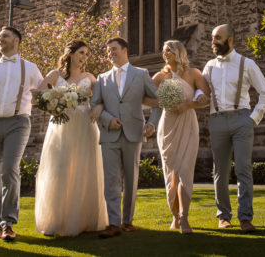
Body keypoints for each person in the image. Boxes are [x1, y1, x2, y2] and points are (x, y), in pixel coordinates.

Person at [202, 23, 265, 234]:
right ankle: (223, 216)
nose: (213, 42)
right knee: (220, 172)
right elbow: (202, 94)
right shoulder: (209, 66)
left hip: (242, 119)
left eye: (218, 38)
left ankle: (245, 218)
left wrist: (253, 119)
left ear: (230, 40)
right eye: (213, 38)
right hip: (217, 120)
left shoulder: (247, 64)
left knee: (243, 169)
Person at [0, 26, 44, 243]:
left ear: (16, 41)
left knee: (9, 169)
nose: (0, 40)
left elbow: (42, 93)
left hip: (18, 123)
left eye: (4, 36)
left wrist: (34, 100)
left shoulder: (30, 68)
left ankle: (8, 222)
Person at [34, 40, 108, 236]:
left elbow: (103, 99)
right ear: (71, 53)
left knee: (84, 169)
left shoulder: (90, 78)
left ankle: (82, 220)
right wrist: (51, 107)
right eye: (81, 53)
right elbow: (37, 97)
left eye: (86, 54)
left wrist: (98, 108)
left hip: (84, 125)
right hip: (60, 126)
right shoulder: (54, 75)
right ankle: (55, 220)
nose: (84, 57)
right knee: (59, 168)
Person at [90, 37, 160, 238]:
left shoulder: (141, 74)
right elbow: (94, 106)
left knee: (131, 179)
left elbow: (159, 102)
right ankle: (113, 223)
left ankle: (127, 221)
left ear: (125, 50)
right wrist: (107, 119)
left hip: (133, 133)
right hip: (109, 134)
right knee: (111, 179)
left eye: (113, 49)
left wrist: (152, 123)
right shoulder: (102, 78)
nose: (110, 53)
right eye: (108, 50)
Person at [152, 39, 209, 234]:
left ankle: (185, 217)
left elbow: (207, 99)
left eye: (169, 50)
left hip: (188, 124)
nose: (165, 53)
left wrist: (191, 104)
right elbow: (146, 98)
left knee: (185, 170)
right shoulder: (159, 77)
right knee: (171, 173)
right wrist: (162, 103)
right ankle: (175, 216)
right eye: (163, 50)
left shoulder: (194, 74)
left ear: (179, 52)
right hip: (167, 126)